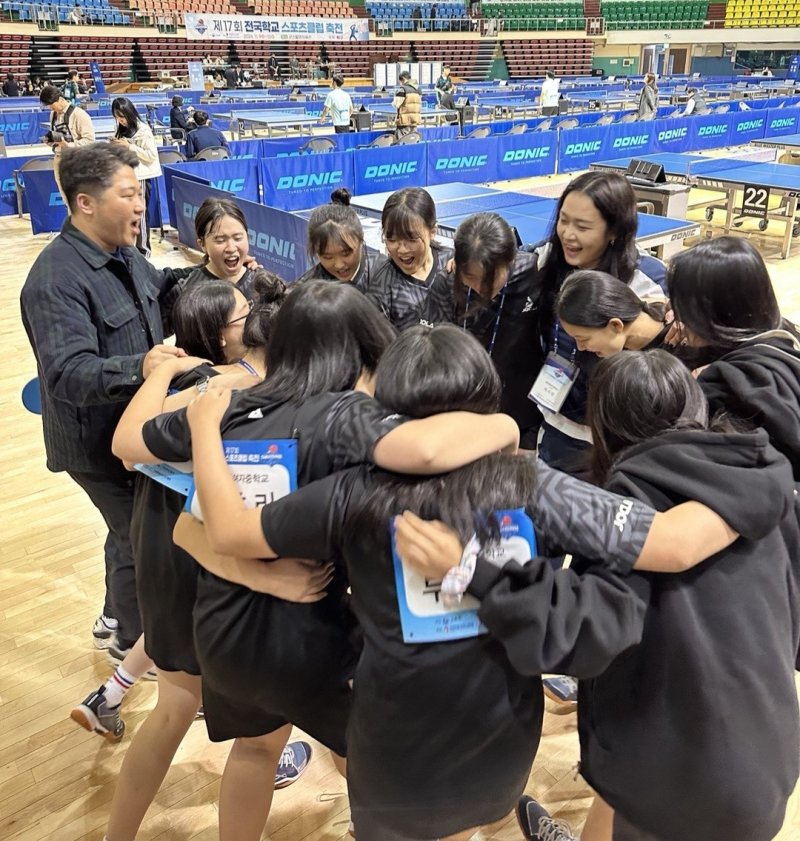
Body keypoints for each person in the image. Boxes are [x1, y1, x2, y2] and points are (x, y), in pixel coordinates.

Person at [189, 327, 755, 841]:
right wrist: (769, 478)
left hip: (397, 741)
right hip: (501, 732)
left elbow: (230, 531)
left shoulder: (351, 492)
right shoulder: (532, 484)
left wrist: (204, 431)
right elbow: (673, 544)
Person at [118, 280, 521, 841]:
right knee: (370, 757)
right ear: (363, 346)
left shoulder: (227, 405)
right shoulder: (348, 416)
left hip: (226, 633)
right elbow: (430, 450)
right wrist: (507, 425)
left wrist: (161, 376)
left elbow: (148, 473)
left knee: (256, 751)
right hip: (310, 637)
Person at [519, 349, 800, 841]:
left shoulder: (622, 522)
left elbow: (581, 643)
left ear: (603, 429)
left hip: (677, 786)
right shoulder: (762, 476)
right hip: (768, 751)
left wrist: (489, 582)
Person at [19, 143, 196, 671]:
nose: (142, 205)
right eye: (130, 194)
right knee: (143, 543)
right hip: (96, 445)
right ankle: (140, 646)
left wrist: (212, 271)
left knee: (131, 536)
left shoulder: (123, 252)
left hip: (135, 432)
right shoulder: (55, 280)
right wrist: (144, 367)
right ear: (85, 203)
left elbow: (161, 288)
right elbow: (67, 374)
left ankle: (113, 620)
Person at [523, 170, 666, 477]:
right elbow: (507, 257)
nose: (567, 234)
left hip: (611, 442)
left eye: (582, 226)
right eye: (563, 220)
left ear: (614, 231)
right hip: (553, 427)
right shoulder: (549, 258)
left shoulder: (648, 282)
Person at [668, 236, 800, 478]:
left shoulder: (723, 383)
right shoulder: (785, 333)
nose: (678, 315)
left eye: (683, 306)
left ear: (709, 311)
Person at [420, 212, 544, 445]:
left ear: (511, 260)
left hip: (521, 412)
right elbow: (432, 351)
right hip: (466, 409)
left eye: (490, 278)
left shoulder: (534, 272)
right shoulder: (446, 282)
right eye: (471, 277)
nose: (481, 288)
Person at [162, 199, 262, 337]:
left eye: (238, 238)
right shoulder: (186, 289)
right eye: (220, 240)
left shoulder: (262, 284)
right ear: (202, 244)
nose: (231, 248)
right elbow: (155, 332)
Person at [366, 186, 454, 331]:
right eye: (392, 239)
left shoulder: (453, 264)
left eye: (411, 239)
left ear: (432, 231)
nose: (402, 250)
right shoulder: (381, 287)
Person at [555, 270, 669, 358]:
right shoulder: (620, 350)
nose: (580, 348)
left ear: (616, 325)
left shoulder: (680, 351)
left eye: (583, 339)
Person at [295, 188, 377, 290]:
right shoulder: (306, 291)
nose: (339, 265)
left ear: (361, 239)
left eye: (346, 254)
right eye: (327, 257)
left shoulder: (386, 273)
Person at [111, 97, 161, 257]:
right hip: (125, 176)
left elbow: (151, 155)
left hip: (141, 177)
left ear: (130, 113)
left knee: (140, 214)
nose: (120, 120)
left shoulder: (144, 130)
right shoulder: (119, 128)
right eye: (117, 117)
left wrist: (129, 146)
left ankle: (143, 250)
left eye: (122, 116)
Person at [39, 83, 96, 202]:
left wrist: (69, 145)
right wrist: (51, 142)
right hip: (59, 160)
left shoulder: (79, 114)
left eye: (52, 105)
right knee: (67, 200)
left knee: (80, 200)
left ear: (60, 99)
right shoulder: (53, 114)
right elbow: (57, 135)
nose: (50, 108)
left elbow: (90, 141)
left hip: (77, 162)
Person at [393, 69, 421, 139]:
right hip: (414, 120)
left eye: (400, 81)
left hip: (404, 121)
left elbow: (396, 104)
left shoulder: (402, 89)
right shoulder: (418, 89)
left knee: (402, 142)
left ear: (403, 79)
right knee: (413, 141)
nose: (400, 83)